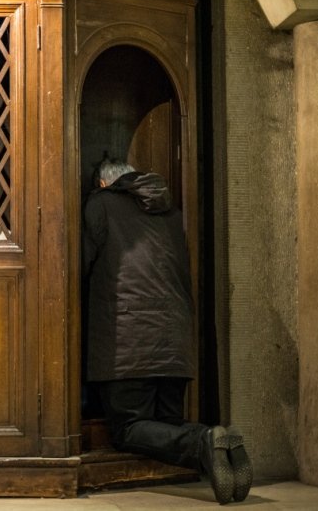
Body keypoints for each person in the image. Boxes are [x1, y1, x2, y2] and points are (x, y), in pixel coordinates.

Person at [82, 158, 252, 505]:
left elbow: (77, 264)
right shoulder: (170, 212)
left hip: (128, 340)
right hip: (175, 339)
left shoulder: (100, 204)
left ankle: (204, 441)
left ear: (103, 183)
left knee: (128, 428)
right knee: (165, 423)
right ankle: (219, 440)